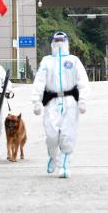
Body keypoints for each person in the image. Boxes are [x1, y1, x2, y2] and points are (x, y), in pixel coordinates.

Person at [31, 31, 90, 178]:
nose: (59, 43)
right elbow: (39, 81)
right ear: (52, 43)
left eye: (61, 41)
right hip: (51, 102)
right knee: (51, 136)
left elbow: (82, 81)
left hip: (70, 103)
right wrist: (36, 101)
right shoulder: (46, 61)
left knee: (68, 135)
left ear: (66, 43)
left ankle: (64, 165)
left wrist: (83, 100)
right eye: (56, 41)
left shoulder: (74, 61)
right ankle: (53, 156)